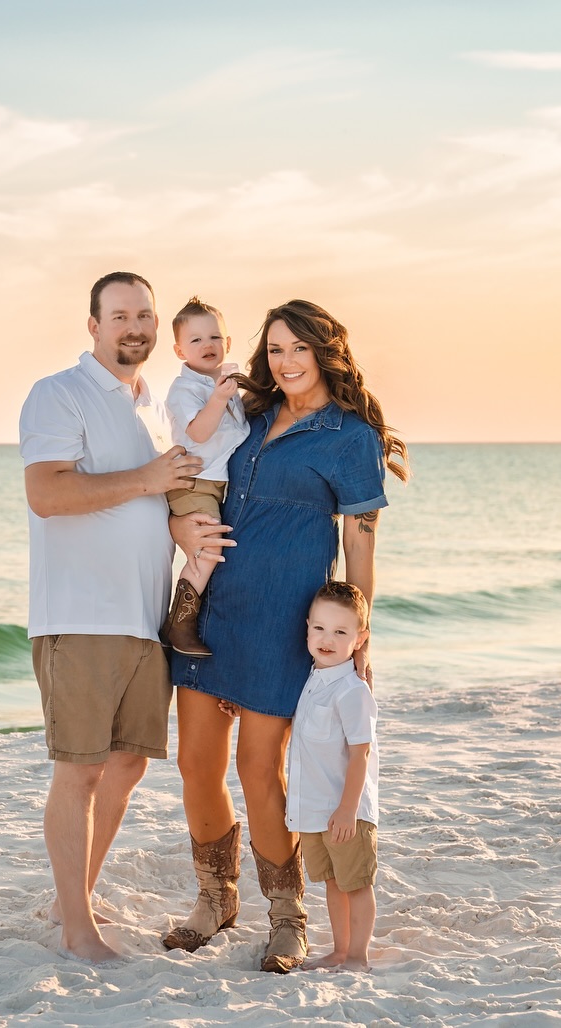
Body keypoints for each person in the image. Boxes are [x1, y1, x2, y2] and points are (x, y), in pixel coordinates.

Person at [163, 299, 409, 973]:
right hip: (212, 612)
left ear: (325, 351)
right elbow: (194, 478)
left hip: (282, 623)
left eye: (299, 348)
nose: (286, 361)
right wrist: (179, 526)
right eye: (275, 349)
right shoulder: (250, 412)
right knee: (196, 765)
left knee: (260, 771)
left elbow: (359, 548)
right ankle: (215, 898)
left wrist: (362, 638)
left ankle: (286, 915)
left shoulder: (350, 436)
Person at [18, 271, 207, 964]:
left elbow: (160, 503)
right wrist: (149, 479)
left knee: (127, 765)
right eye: (120, 314)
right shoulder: (58, 394)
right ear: (92, 325)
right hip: (81, 613)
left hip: (143, 616)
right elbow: (47, 493)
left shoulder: (155, 406)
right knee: (82, 770)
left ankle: (77, 895)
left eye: (145, 315)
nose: (136, 326)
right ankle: (76, 928)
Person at [287, 581, 379, 973]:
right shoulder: (311, 678)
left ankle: (358, 955)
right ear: (307, 627)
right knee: (331, 883)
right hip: (312, 807)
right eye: (320, 628)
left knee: (356, 883)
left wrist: (347, 809)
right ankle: (339, 951)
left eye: (341, 632)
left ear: (359, 640)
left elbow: (361, 754)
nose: (327, 639)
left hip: (346, 809)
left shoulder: (351, 690)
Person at [160, 297, 249, 657]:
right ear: (180, 350)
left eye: (214, 337)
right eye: (195, 340)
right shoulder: (185, 390)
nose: (207, 345)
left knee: (219, 551)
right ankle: (179, 624)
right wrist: (217, 399)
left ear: (227, 343)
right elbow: (198, 432)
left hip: (216, 483)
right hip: (193, 483)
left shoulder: (227, 383)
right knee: (209, 547)